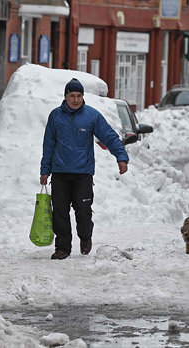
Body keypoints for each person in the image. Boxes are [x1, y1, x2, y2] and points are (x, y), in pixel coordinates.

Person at [40, 78, 129, 259]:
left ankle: (85, 236)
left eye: (79, 95)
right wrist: (45, 170)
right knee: (60, 211)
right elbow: (48, 145)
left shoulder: (91, 116)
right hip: (60, 172)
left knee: (83, 210)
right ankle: (63, 247)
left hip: (83, 173)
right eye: (72, 95)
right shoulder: (55, 116)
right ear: (65, 97)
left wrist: (121, 157)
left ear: (83, 96)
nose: (75, 99)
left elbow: (110, 137)